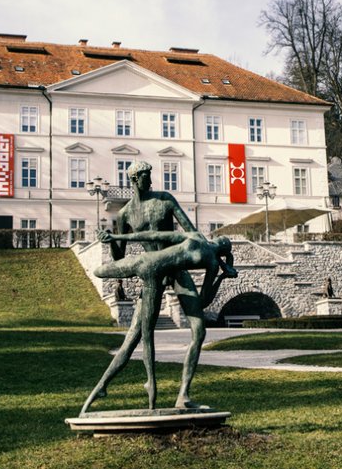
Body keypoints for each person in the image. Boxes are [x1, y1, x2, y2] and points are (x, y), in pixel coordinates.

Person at [81, 161, 219, 414]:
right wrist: (110, 240)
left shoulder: (165, 200)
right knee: (132, 339)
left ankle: (184, 395)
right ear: (135, 179)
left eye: (150, 175)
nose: (151, 180)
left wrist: (210, 255)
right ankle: (100, 388)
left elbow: (191, 233)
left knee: (198, 330)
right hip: (151, 274)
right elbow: (119, 258)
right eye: (146, 176)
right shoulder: (125, 215)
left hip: (175, 267)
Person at [81, 230, 236, 414]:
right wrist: (222, 276)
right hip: (152, 274)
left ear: (218, 242)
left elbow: (156, 235)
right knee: (144, 339)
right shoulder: (211, 260)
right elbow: (203, 301)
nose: (222, 240)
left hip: (144, 261)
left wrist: (117, 237)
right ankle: (146, 386)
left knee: (136, 336)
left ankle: (104, 389)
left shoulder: (195, 237)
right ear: (224, 252)